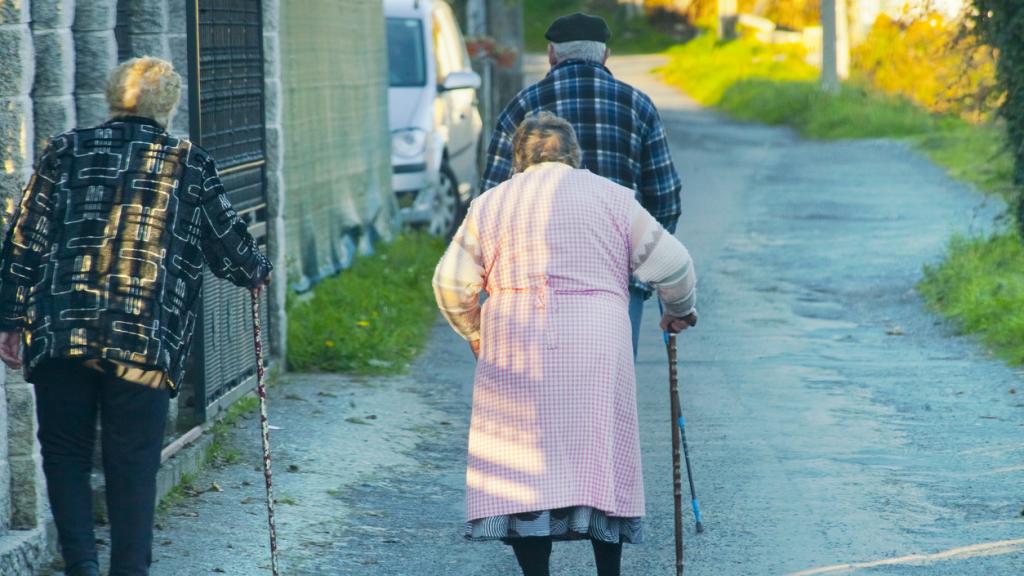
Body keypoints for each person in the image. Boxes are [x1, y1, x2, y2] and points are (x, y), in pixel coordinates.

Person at [0, 57, 272, 576]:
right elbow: (227, 241)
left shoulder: (65, 150)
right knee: (132, 464)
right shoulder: (184, 160)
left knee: (65, 454)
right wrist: (256, 270)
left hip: (63, 329)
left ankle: (81, 563)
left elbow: (25, 238)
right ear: (168, 106)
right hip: (143, 337)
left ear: (111, 97)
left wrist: (10, 318)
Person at [434, 111, 697, 576]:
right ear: (575, 157)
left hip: (517, 343)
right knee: (600, 452)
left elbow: (451, 285)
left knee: (523, 461)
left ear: (518, 160)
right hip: (599, 340)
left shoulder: (491, 205)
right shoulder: (614, 199)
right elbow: (674, 266)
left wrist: (476, 333)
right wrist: (678, 311)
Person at [480, 11, 683, 356]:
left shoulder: (523, 107)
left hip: (535, 278)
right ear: (605, 55)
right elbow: (665, 198)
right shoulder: (639, 107)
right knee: (608, 384)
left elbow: (492, 199)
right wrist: (645, 263)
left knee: (543, 391)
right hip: (617, 275)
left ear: (552, 54)